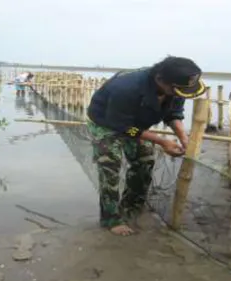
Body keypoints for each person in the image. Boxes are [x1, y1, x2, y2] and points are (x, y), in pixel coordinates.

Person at [87, 56, 206, 236]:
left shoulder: (178, 88)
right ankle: (110, 219)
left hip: (134, 123)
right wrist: (162, 141)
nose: (181, 93)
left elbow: (173, 113)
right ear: (160, 80)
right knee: (109, 164)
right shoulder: (126, 88)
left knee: (145, 159)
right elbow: (123, 127)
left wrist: (183, 138)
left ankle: (132, 204)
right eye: (178, 90)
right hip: (107, 123)